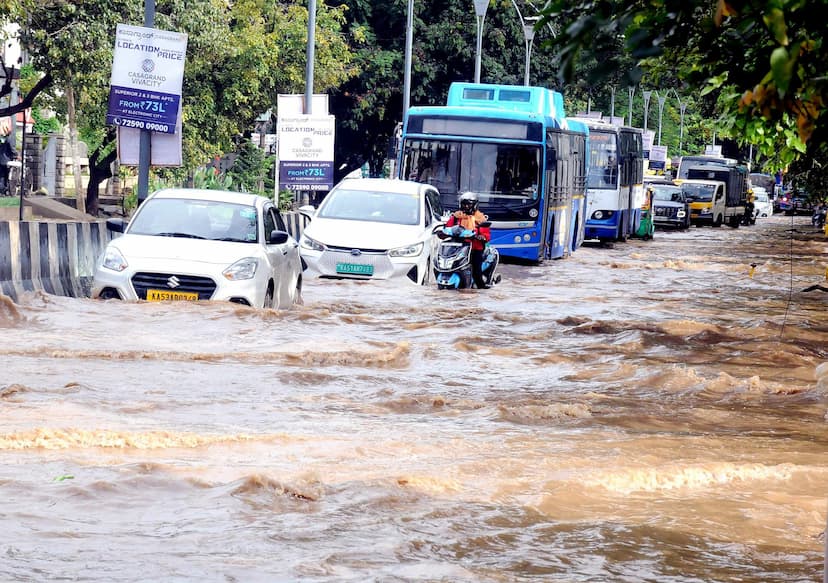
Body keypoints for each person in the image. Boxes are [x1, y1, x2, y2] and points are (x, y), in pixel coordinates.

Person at [445, 191, 491, 289]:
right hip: (458, 247)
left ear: (474, 205)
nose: (466, 207)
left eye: (469, 204)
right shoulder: (456, 217)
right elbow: (448, 228)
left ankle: (481, 287)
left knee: (476, 271)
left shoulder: (480, 218)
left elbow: (486, 235)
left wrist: (481, 237)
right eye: (464, 204)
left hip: (475, 248)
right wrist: (442, 232)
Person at [0, 132, 18, 197]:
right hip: (7, 160)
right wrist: (16, 155)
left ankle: (2, 191)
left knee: (1, 175)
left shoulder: (2, 138)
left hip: (1, 159)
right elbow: (12, 149)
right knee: (7, 176)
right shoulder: (9, 138)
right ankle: (6, 190)